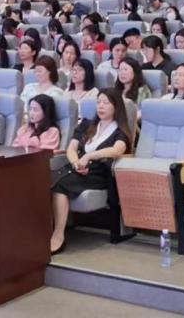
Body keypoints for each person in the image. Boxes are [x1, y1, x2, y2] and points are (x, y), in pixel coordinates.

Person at [50, 88, 132, 254]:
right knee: (44, 179)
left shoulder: (120, 132)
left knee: (60, 185)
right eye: (98, 102)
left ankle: (58, 235)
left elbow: (116, 151)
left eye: (106, 103)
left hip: (98, 174)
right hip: (75, 168)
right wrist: (76, 163)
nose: (101, 106)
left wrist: (89, 156)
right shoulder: (87, 124)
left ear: (116, 107)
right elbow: (71, 148)